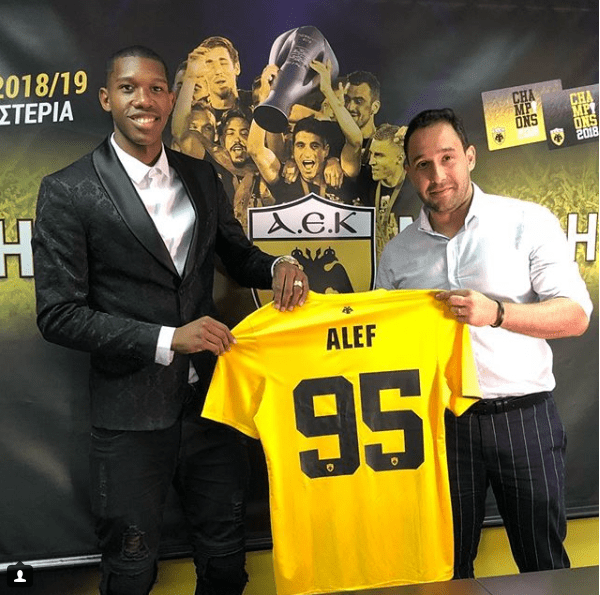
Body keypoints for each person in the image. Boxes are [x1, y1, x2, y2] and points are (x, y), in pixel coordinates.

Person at [32, 45, 308, 595]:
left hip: (212, 407)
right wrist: (167, 339)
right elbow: (58, 314)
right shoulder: (68, 189)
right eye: (129, 88)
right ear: (106, 98)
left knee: (226, 565)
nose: (145, 100)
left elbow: (236, 255)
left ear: (172, 96)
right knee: (131, 572)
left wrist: (278, 264)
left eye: (157, 88)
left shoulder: (201, 176)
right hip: (130, 419)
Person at [375, 108, 592, 579]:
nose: (438, 175)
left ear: (470, 157)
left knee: (544, 566)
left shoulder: (526, 221)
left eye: (447, 158)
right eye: (423, 164)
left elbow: (575, 315)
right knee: (446, 569)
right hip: (440, 426)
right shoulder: (397, 253)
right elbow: (382, 347)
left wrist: (496, 313)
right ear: (409, 173)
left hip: (524, 418)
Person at [355, 123, 421, 259]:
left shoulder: (418, 189)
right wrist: (333, 162)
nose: (371, 162)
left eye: (379, 155)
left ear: (400, 158)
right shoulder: (365, 182)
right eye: (371, 154)